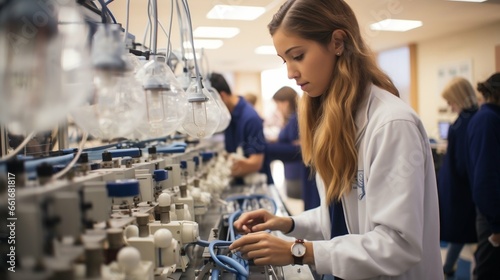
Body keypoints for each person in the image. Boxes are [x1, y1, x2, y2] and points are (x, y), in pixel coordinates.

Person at [228, 0, 443, 279]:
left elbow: (397, 244)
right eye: (285, 60)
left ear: (338, 42)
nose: (290, 73)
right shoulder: (335, 120)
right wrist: (287, 223)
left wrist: (299, 250)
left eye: (298, 56)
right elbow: (342, 216)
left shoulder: (391, 124)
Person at [437, 77, 478, 279]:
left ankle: (450, 269)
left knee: (463, 232)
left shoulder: (464, 125)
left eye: (451, 101)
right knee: (463, 233)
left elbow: (462, 164)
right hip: (458, 188)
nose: (450, 106)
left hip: (460, 190)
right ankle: (450, 268)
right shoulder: (471, 121)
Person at [208, 72, 273, 185]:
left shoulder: (250, 119)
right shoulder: (229, 116)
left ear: (222, 96)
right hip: (240, 183)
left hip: (256, 184)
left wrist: (223, 172)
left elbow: (256, 163)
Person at [466, 72, 500, 280]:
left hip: (493, 213)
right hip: (493, 215)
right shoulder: (487, 120)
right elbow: (485, 179)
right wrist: (497, 224)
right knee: (488, 272)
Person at [266, 86, 320, 210]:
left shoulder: (297, 118)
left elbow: (301, 144)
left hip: (298, 170)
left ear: (285, 103)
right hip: (295, 169)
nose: (278, 108)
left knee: (308, 206)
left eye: (278, 104)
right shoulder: (294, 118)